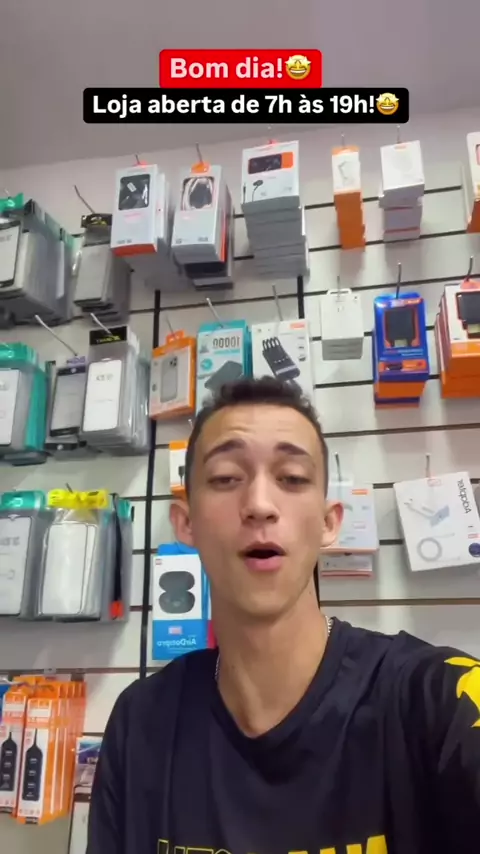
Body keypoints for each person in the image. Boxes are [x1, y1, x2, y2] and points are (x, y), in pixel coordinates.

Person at [87, 376, 480, 854]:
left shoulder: (439, 700)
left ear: (330, 523)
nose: (259, 505)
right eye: (226, 478)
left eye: (292, 478)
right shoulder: (141, 723)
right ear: (186, 524)